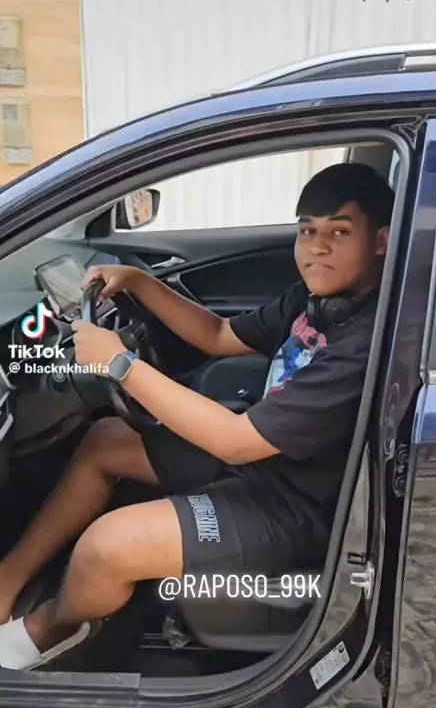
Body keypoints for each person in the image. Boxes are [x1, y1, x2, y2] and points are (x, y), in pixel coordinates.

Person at [0, 162, 394, 670]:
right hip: (268, 465)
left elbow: (237, 440)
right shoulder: (317, 300)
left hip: (298, 508)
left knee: (106, 547)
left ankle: (53, 627)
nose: (316, 248)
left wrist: (120, 365)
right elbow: (218, 335)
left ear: (381, 241)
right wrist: (139, 282)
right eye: (307, 232)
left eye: (338, 233)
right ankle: (8, 580)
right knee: (107, 441)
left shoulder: (363, 344)